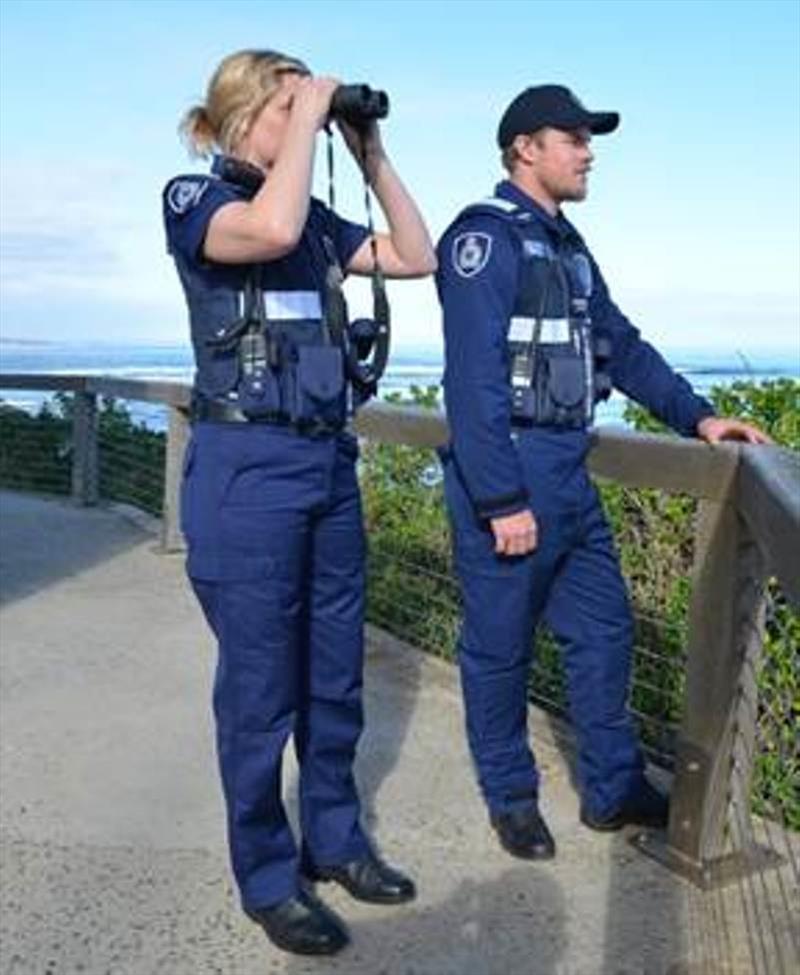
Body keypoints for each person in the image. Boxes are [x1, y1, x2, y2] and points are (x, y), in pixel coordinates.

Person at [435, 84, 770, 862]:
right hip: (511, 470)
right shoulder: (483, 239)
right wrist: (500, 497)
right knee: (499, 645)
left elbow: (621, 343)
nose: (588, 152)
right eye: (574, 137)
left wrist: (698, 416)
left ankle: (612, 789)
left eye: (590, 139)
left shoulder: (568, 247)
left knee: (604, 630)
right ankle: (512, 797)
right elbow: (472, 380)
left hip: (568, 468)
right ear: (525, 148)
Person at [162, 49, 435, 956]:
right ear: (240, 118)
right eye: (285, 107)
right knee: (259, 692)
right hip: (247, 472)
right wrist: (305, 122)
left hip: (325, 468)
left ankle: (337, 839)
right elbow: (270, 232)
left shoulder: (314, 214)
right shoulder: (196, 201)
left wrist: (369, 152)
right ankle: (268, 877)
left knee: (333, 680)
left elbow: (414, 255)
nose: (302, 120)